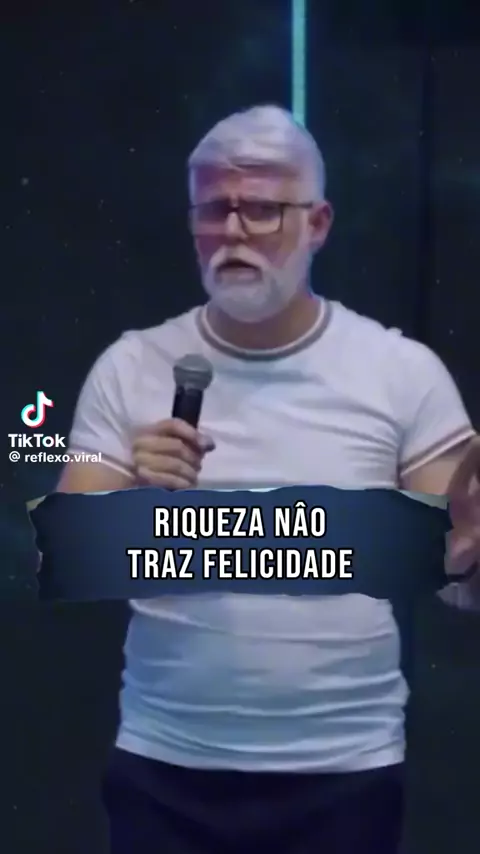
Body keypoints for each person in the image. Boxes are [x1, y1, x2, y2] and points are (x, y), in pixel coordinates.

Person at [57, 105, 479, 854]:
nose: (234, 232)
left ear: (317, 223)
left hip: (344, 774)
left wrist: (468, 555)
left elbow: (460, 577)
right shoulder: (132, 365)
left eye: (260, 209)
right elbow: (66, 560)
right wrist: (132, 504)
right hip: (165, 769)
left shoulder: (400, 373)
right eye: (213, 209)